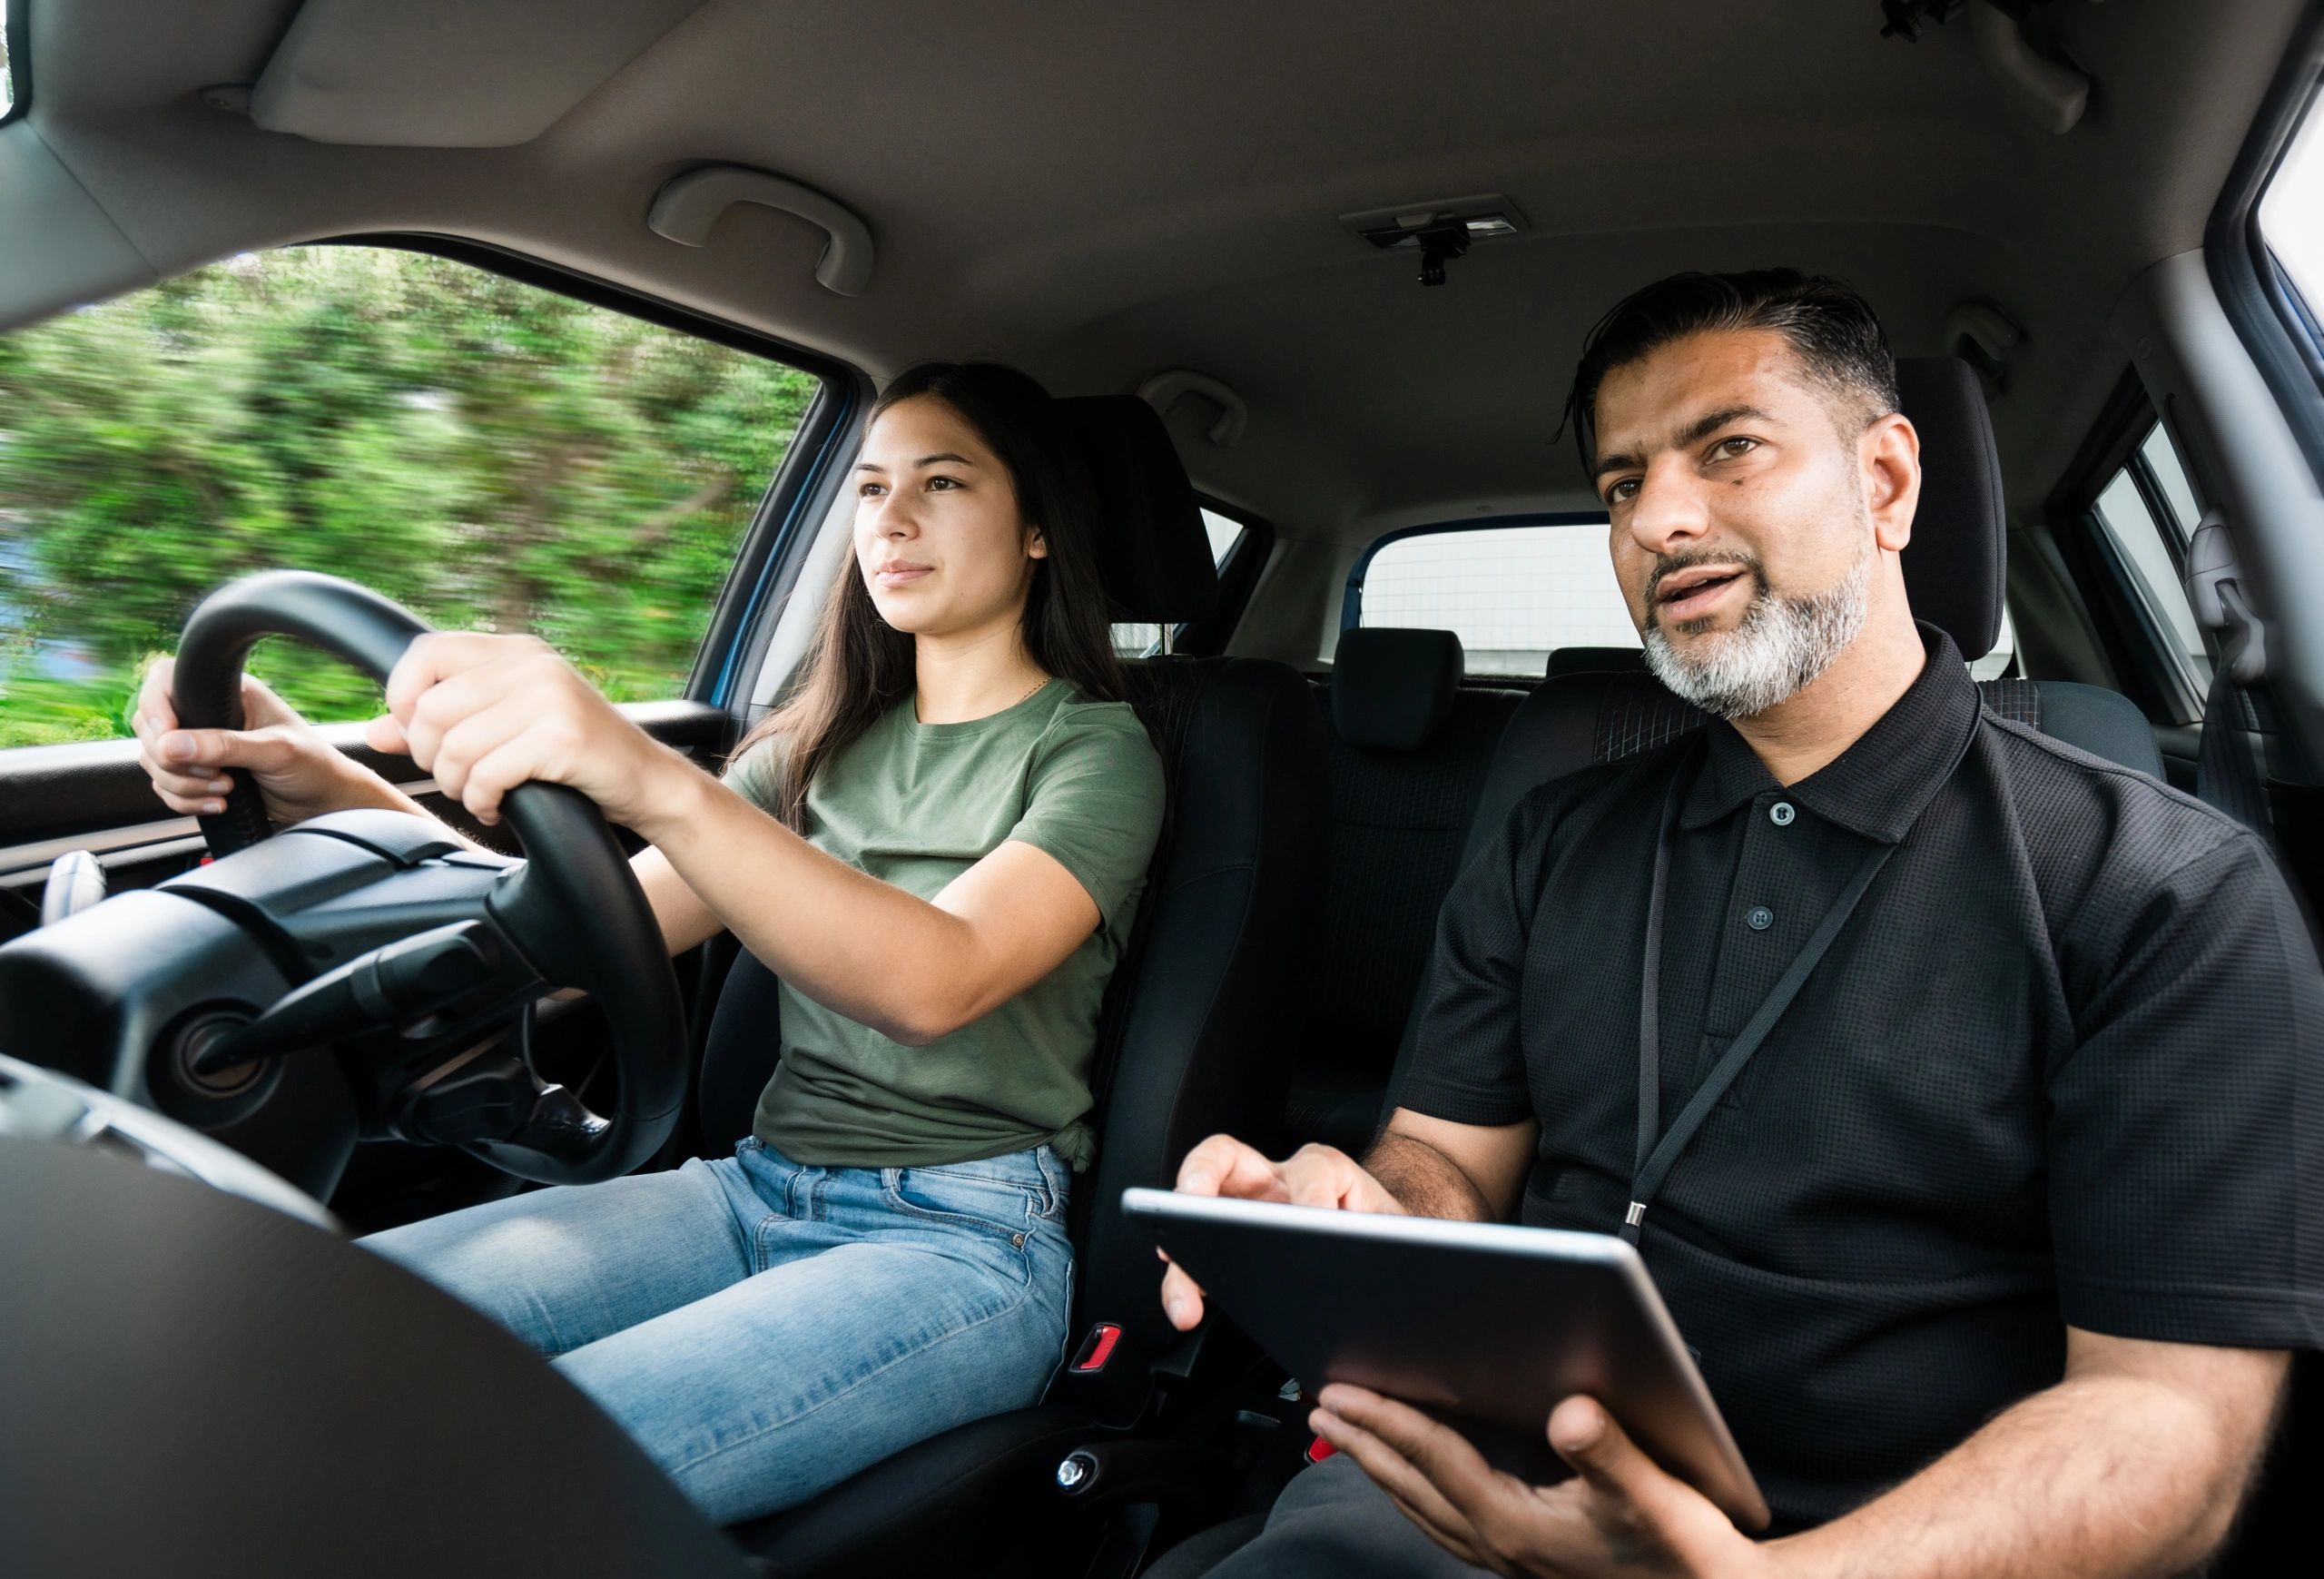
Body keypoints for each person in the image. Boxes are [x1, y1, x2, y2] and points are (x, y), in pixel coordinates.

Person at [1158, 271, 2324, 1578]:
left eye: (1730, 448)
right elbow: (1447, 1159)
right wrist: (1358, 1204)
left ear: (1886, 484)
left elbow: (2170, 1425)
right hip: (1484, 1503)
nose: (1657, 517)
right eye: (1618, 484)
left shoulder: (2164, 887)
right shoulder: (1554, 836)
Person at [132, 362, 1167, 1524]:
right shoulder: (816, 745)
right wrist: (319, 782)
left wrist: (651, 777)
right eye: (870, 487)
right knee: (306, 1333)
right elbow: (572, 931)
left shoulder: (1094, 751)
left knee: (482, 1469)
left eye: (942, 481)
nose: (892, 518)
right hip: (748, 1190)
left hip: (962, 1240)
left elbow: (939, 979)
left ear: (1035, 529)